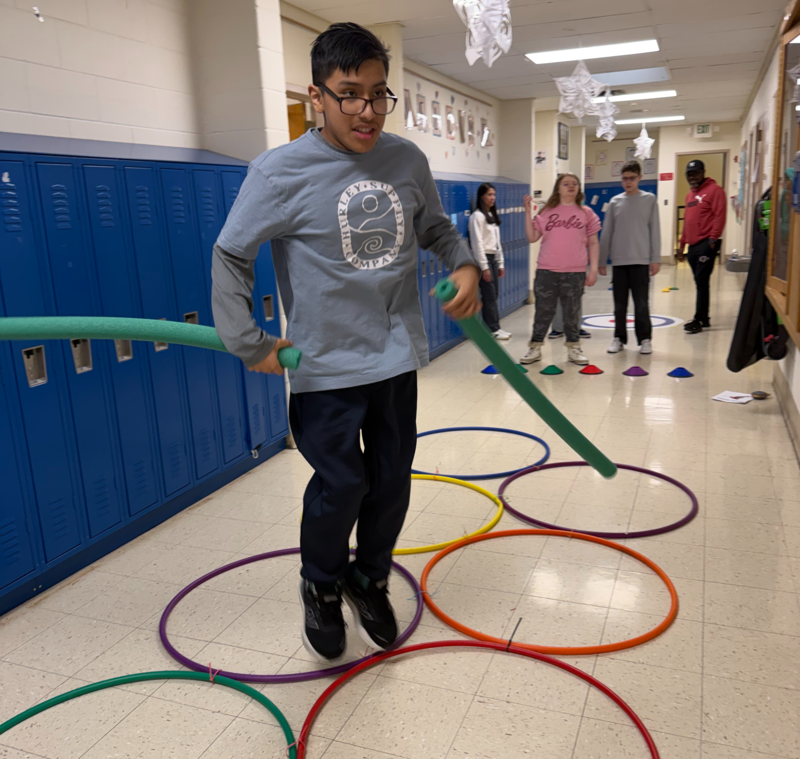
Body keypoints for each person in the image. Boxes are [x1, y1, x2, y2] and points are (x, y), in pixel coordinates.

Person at [211, 23, 480, 662]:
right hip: (324, 364)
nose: (368, 110)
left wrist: (465, 263)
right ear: (317, 96)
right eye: (351, 93)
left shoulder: (406, 160)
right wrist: (247, 340)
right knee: (343, 485)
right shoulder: (278, 172)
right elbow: (231, 254)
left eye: (380, 93)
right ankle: (322, 583)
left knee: (390, 482)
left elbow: (436, 229)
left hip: (394, 356)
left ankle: (369, 578)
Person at [521, 173, 600, 366]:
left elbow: (593, 242)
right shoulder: (547, 212)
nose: (571, 186)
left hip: (575, 271)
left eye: (574, 184)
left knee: (572, 312)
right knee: (543, 311)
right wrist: (527, 213)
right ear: (558, 188)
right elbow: (532, 237)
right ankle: (535, 347)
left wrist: (594, 269)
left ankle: (574, 347)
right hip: (547, 270)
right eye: (566, 184)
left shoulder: (586, 213)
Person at [599, 160, 661, 355]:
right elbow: (607, 232)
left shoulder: (649, 199)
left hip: (641, 260)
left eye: (632, 178)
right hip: (619, 261)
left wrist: (655, 258)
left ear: (639, 178)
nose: (628, 182)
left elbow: (655, 230)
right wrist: (602, 260)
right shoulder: (615, 202)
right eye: (624, 178)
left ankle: (645, 339)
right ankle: (619, 338)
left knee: (641, 304)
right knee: (619, 305)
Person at [679, 159, 727, 334]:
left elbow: (720, 216)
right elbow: (687, 222)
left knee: (701, 281)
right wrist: (681, 245)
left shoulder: (715, 191)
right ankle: (704, 318)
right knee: (699, 282)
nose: (692, 177)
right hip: (692, 246)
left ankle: (699, 319)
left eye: (696, 173)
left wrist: (712, 240)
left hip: (706, 243)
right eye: (689, 174)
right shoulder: (689, 195)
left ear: (703, 173)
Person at [469, 182, 511, 340]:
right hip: (484, 259)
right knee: (489, 296)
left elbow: (497, 243)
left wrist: (500, 263)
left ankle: (493, 327)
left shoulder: (491, 216)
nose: (492, 198)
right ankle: (493, 329)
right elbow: (477, 244)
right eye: (489, 195)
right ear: (482, 197)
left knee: (494, 294)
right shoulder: (477, 217)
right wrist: (484, 267)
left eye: (494, 195)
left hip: (493, 258)